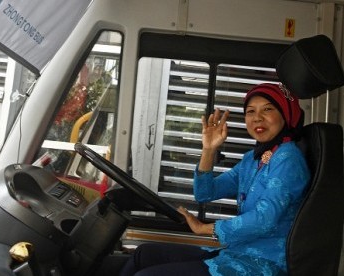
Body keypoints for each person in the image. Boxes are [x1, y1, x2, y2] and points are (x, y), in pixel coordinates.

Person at [120, 83, 311, 276]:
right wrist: (209, 149)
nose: (257, 118)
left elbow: (264, 219)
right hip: (235, 253)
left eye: (268, 109)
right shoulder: (252, 159)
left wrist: (204, 229)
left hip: (263, 263)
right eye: (250, 111)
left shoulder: (288, 158)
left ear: (285, 114)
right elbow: (205, 193)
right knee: (143, 255)